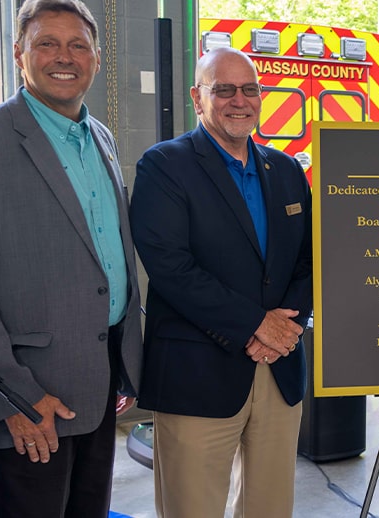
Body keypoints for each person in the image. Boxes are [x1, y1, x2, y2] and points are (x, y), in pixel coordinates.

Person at [0, 0, 142, 518]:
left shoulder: (101, 139)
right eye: (47, 44)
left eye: (78, 45)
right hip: (29, 399)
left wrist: (125, 363)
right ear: (20, 54)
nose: (64, 56)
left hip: (99, 380)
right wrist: (13, 397)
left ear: (94, 58)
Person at [129, 47, 312, 517]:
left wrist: (283, 329)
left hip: (279, 369)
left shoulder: (287, 171)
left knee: (270, 508)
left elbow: (310, 260)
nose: (239, 100)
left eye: (249, 89)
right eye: (223, 89)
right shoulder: (164, 165)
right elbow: (170, 267)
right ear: (197, 96)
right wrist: (256, 324)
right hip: (197, 374)